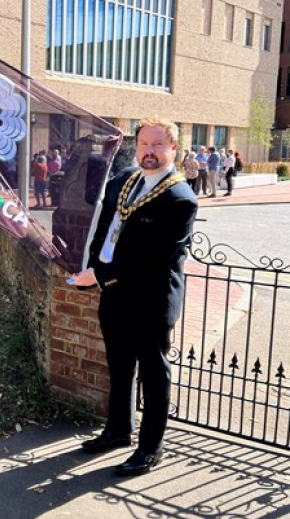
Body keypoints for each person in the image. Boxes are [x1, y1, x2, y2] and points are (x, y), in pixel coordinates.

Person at [67, 115, 198, 476]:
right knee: (119, 366)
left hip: (149, 300)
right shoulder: (126, 179)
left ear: (173, 148)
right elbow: (103, 224)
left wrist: (101, 274)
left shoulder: (179, 198)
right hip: (113, 293)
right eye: (143, 143)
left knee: (154, 375)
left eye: (158, 144)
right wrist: (93, 267)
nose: (149, 151)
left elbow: (153, 259)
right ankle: (118, 430)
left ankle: (151, 448)